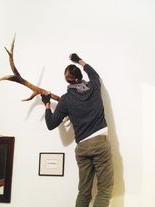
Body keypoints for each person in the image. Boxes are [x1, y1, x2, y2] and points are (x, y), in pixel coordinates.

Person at [41, 53, 114, 207]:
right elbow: (94, 74)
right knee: (105, 190)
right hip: (100, 145)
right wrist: (78, 60)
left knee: (84, 192)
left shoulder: (66, 99)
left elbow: (51, 124)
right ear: (80, 75)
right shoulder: (94, 86)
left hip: (82, 149)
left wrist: (47, 104)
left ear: (67, 80)